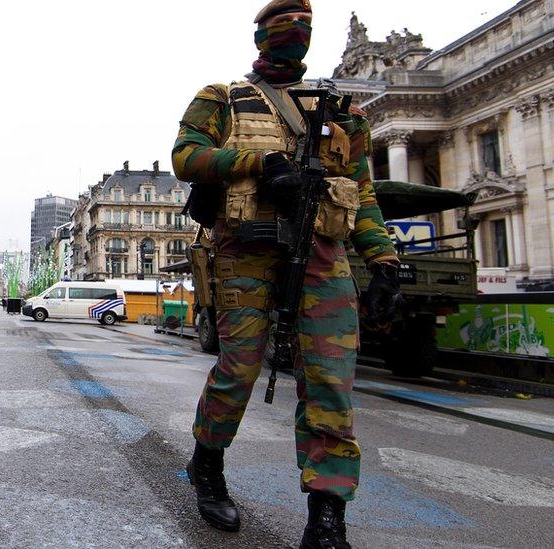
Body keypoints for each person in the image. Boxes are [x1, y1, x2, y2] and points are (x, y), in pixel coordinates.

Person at [171, 0, 401, 544]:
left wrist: (384, 260)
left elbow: (362, 195)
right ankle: (207, 465)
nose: (294, 37)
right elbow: (186, 156)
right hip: (245, 250)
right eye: (282, 28)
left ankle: (327, 515)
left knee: (330, 383)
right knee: (239, 368)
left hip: (322, 252)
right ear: (260, 39)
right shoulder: (222, 98)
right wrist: (257, 163)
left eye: (303, 30)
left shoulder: (341, 112)